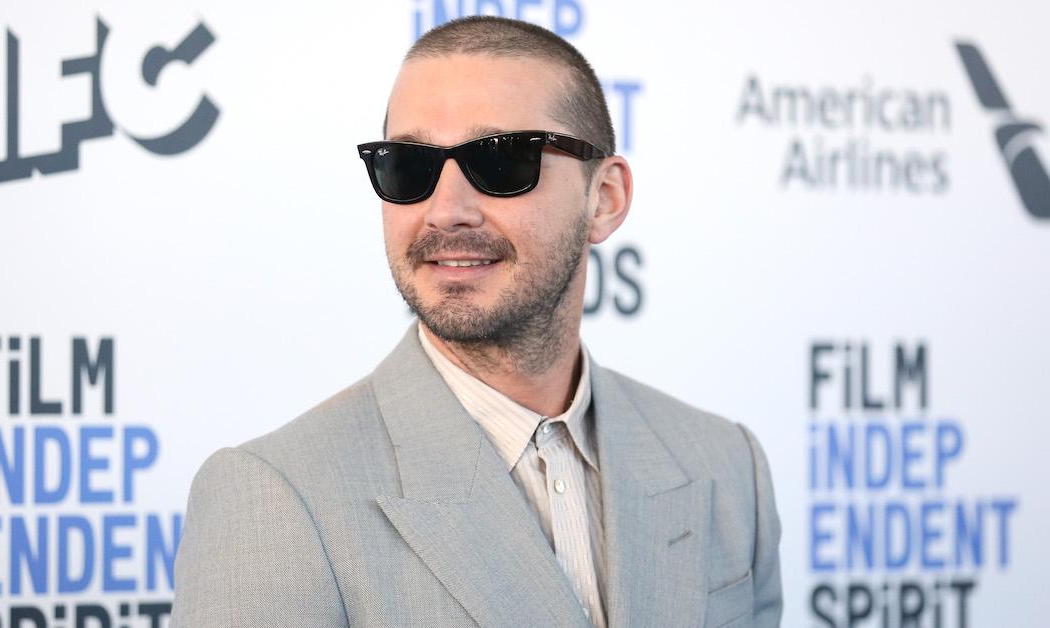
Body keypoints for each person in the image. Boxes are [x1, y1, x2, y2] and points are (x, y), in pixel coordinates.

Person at [171, 15, 781, 628]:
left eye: (501, 161)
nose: (447, 211)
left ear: (605, 199)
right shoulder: (276, 497)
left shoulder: (727, 467)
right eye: (408, 166)